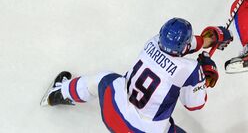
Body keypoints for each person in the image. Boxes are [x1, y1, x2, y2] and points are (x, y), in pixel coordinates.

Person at [41, 18, 233, 132]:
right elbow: (195, 104)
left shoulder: (154, 41)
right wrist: (204, 74)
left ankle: (58, 93)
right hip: (141, 131)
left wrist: (211, 39)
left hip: (113, 111)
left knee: (103, 79)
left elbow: (187, 46)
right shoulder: (190, 69)